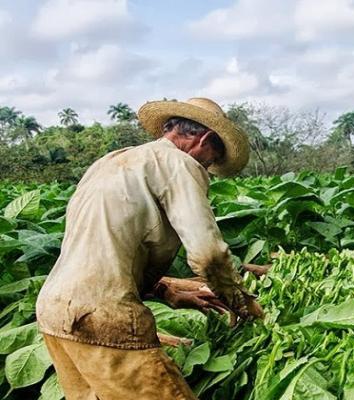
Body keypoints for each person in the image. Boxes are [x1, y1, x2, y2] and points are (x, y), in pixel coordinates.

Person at [35, 97, 262, 400]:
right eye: (210, 160)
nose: (207, 168)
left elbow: (104, 247)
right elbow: (208, 254)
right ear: (205, 139)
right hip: (102, 317)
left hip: (54, 313)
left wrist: (166, 290)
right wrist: (242, 302)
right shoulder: (179, 164)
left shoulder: (110, 162)